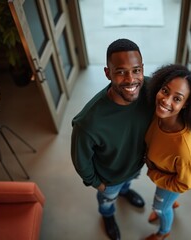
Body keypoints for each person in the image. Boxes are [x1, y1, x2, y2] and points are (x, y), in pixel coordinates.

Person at [71, 38, 153, 240]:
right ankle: (107, 215)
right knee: (107, 200)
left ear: (142, 68)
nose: (131, 79)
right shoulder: (88, 122)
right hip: (109, 179)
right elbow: (80, 161)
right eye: (121, 71)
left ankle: (125, 191)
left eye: (136, 70)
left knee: (128, 182)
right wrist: (97, 184)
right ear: (108, 73)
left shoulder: (151, 89)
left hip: (134, 167)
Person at [144, 64, 191, 240]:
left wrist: (154, 174)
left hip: (169, 179)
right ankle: (170, 203)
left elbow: (185, 184)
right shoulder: (158, 115)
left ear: (185, 104)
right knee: (165, 203)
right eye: (165, 91)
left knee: (160, 208)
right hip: (163, 171)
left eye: (177, 98)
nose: (166, 101)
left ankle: (163, 232)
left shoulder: (183, 150)